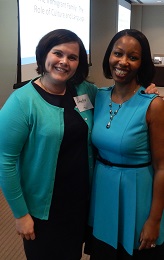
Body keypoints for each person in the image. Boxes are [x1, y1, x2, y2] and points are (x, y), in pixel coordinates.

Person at [0, 29, 159, 260]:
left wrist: (147, 90)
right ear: (44, 54)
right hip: (44, 209)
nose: (64, 62)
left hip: (82, 202)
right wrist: (20, 214)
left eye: (72, 57)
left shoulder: (84, 91)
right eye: (58, 53)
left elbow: (119, 96)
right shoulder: (22, 102)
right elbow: (6, 162)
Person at [87, 29, 164, 260]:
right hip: (102, 193)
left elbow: (162, 167)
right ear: (108, 56)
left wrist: (154, 220)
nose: (123, 62)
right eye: (117, 54)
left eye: (133, 57)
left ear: (142, 63)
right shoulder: (97, 96)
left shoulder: (153, 105)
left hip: (138, 195)